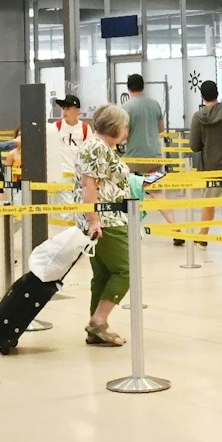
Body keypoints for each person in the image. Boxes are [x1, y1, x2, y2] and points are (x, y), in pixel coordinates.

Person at [77, 104, 138, 347]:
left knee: (102, 274)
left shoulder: (103, 147)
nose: (126, 131)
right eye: (124, 126)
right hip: (107, 220)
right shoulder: (95, 147)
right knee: (126, 269)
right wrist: (94, 221)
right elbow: (88, 186)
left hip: (108, 218)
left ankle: (96, 327)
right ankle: (99, 320)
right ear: (116, 127)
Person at [188, 81, 222, 243]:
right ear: (217, 93)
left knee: (209, 203)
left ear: (202, 96)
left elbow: (194, 146)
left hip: (211, 168)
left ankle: (203, 236)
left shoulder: (199, 117)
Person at [45, 95, 90, 196]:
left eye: (68, 108)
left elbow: (88, 154)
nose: (65, 112)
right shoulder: (55, 127)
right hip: (59, 176)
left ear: (77, 110)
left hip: (78, 176)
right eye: (63, 108)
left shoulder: (85, 128)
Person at [120, 74, 164, 162]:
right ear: (143, 87)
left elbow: (124, 134)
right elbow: (161, 129)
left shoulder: (125, 108)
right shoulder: (155, 104)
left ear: (128, 88)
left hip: (135, 158)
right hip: (155, 157)